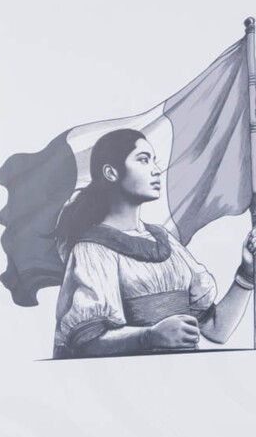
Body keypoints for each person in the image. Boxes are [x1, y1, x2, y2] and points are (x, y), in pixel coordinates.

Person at [52, 128, 256, 359]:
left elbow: (216, 330)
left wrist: (247, 273)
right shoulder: (92, 249)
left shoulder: (166, 241)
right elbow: (85, 344)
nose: (156, 170)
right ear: (111, 172)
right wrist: (149, 336)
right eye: (143, 160)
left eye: (154, 161)